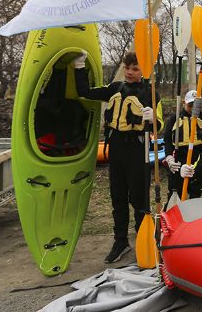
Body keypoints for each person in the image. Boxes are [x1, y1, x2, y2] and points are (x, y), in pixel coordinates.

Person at [73, 51, 163, 263]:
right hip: (116, 149)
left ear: (144, 71)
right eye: (127, 68)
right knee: (118, 197)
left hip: (137, 150)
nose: (130, 73)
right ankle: (120, 241)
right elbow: (84, 91)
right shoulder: (115, 89)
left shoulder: (151, 94)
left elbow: (159, 128)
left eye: (135, 69)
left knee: (139, 199)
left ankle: (144, 238)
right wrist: (79, 66)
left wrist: (153, 120)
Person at [162, 90, 202, 204]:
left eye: (196, 105)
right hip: (180, 160)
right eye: (190, 105)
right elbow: (167, 140)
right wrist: (169, 158)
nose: (193, 108)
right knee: (176, 191)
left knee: (195, 191)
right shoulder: (174, 119)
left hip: (198, 160)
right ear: (184, 103)